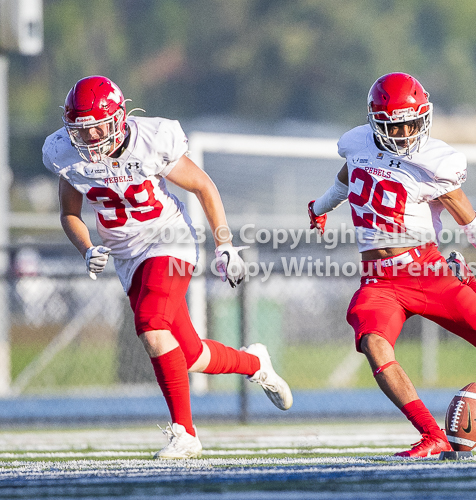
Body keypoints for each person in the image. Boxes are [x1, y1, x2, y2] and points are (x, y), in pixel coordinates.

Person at [307, 72, 476, 458]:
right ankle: (431, 434)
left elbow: (474, 226)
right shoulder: (357, 143)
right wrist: (320, 208)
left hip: (427, 271)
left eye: (411, 122)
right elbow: (345, 181)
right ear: (375, 121)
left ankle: (466, 279)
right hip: (378, 280)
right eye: (395, 125)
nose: (405, 132)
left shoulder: (434, 163)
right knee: (374, 344)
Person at [43, 75, 293, 459]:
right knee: (190, 354)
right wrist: (87, 247)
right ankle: (255, 362)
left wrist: (224, 244)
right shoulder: (65, 152)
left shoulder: (151, 139)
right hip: (127, 256)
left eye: (98, 128)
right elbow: (69, 213)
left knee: (152, 327)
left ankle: (185, 433)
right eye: (82, 130)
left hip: (168, 239)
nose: (91, 138)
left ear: (120, 118)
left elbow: (204, 187)